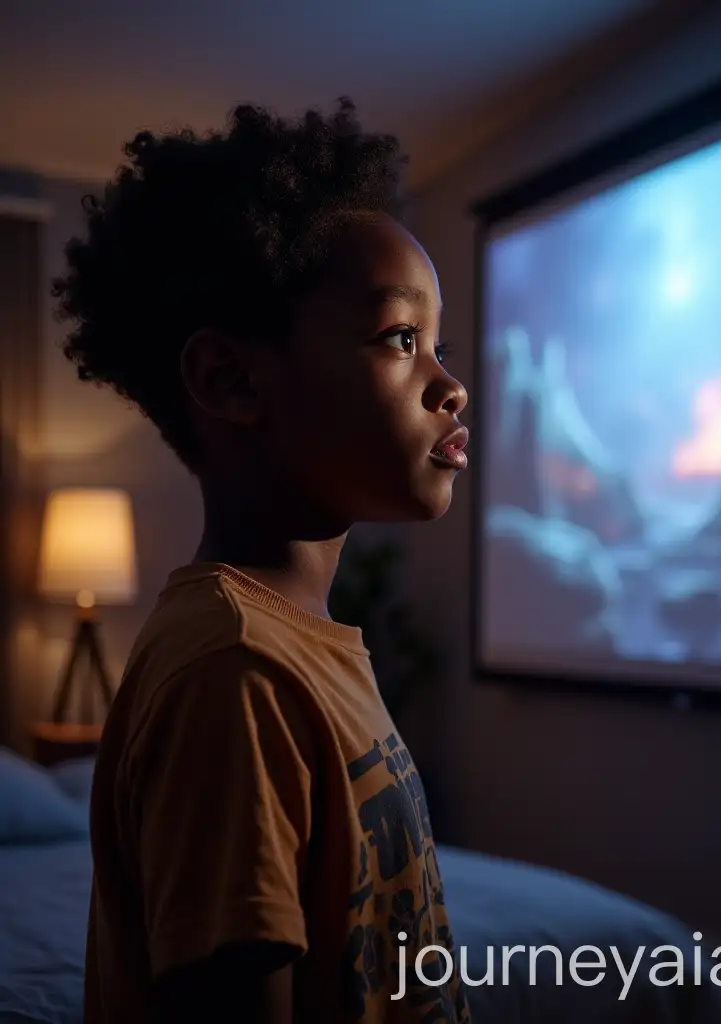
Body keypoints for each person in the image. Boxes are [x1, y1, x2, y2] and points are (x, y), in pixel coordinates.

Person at [53, 98, 472, 1024]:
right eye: (402, 340)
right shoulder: (233, 673)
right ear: (232, 379)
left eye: (439, 345)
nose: (450, 383)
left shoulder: (297, 644)